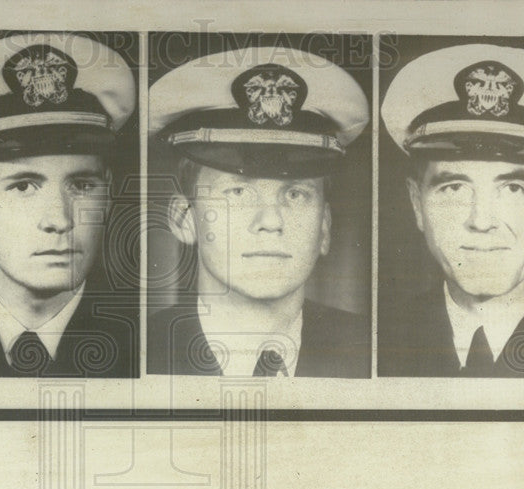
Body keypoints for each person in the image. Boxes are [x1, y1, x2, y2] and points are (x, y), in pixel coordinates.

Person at [0, 33, 137, 377]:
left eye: (82, 185)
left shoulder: (140, 337)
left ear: (108, 194)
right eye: (23, 186)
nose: (59, 220)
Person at [378, 43, 524, 378]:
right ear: (416, 204)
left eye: (513, 188)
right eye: (454, 188)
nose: (481, 221)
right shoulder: (380, 340)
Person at [147, 48, 371, 377]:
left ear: (324, 227)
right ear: (184, 219)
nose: (270, 221)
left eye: (295, 194)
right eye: (238, 192)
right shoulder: (139, 352)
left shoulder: (371, 352)